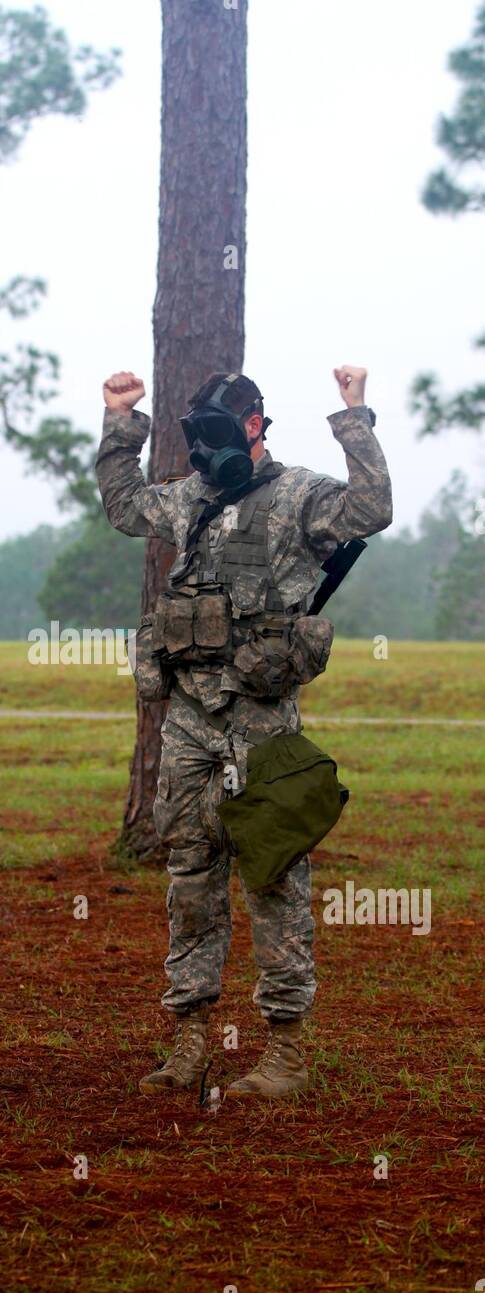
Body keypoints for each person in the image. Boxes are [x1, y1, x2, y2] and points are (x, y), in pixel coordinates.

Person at [97, 367, 392, 1099]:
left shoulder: (298, 495)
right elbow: (124, 505)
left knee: (271, 870)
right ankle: (189, 1042)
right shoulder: (189, 499)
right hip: (189, 719)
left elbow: (372, 507)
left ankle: (283, 1054)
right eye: (196, 438)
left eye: (219, 434)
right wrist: (119, 422)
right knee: (190, 874)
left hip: (260, 717)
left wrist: (353, 414)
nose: (205, 451)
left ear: (256, 425)